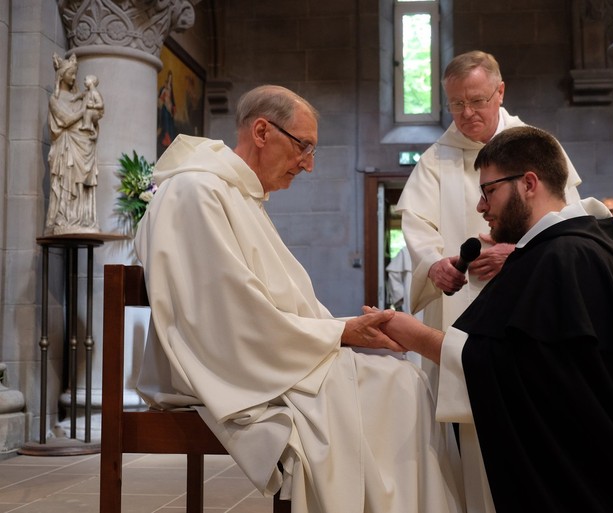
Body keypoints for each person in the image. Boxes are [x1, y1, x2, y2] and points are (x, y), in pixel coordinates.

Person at [133, 85, 464, 513]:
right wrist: (341, 333)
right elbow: (226, 317)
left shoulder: (236, 194)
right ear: (261, 132)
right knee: (402, 391)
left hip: (260, 356)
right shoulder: (196, 192)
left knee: (411, 384)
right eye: (303, 146)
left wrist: (345, 334)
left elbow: (264, 307)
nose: (308, 164)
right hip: (223, 367)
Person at [369, 125, 613, 513]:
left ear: (529, 183)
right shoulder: (565, 250)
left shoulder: (562, 258)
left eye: (488, 191)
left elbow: (524, 372)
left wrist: (418, 336)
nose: (481, 207)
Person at [394, 50, 586, 512]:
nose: (466, 114)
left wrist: (518, 255)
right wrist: (436, 263)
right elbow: (418, 232)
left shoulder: (536, 147)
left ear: (500, 92)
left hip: (527, 310)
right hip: (459, 314)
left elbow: (568, 224)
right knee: (467, 430)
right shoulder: (435, 159)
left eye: (476, 101)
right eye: (456, 104)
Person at [44, 53, 100, 235]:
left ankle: (83, 218)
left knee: (81, 186)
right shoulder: (55, 99)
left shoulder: (81, 96)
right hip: (66, 148)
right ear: (61, 75)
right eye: (71, 74)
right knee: (67, 183)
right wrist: (84, 109)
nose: (74, 78)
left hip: (84, 147)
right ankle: (65, 218)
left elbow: (92, 117)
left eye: (76, 74)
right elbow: (66, 120)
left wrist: (94, 123)